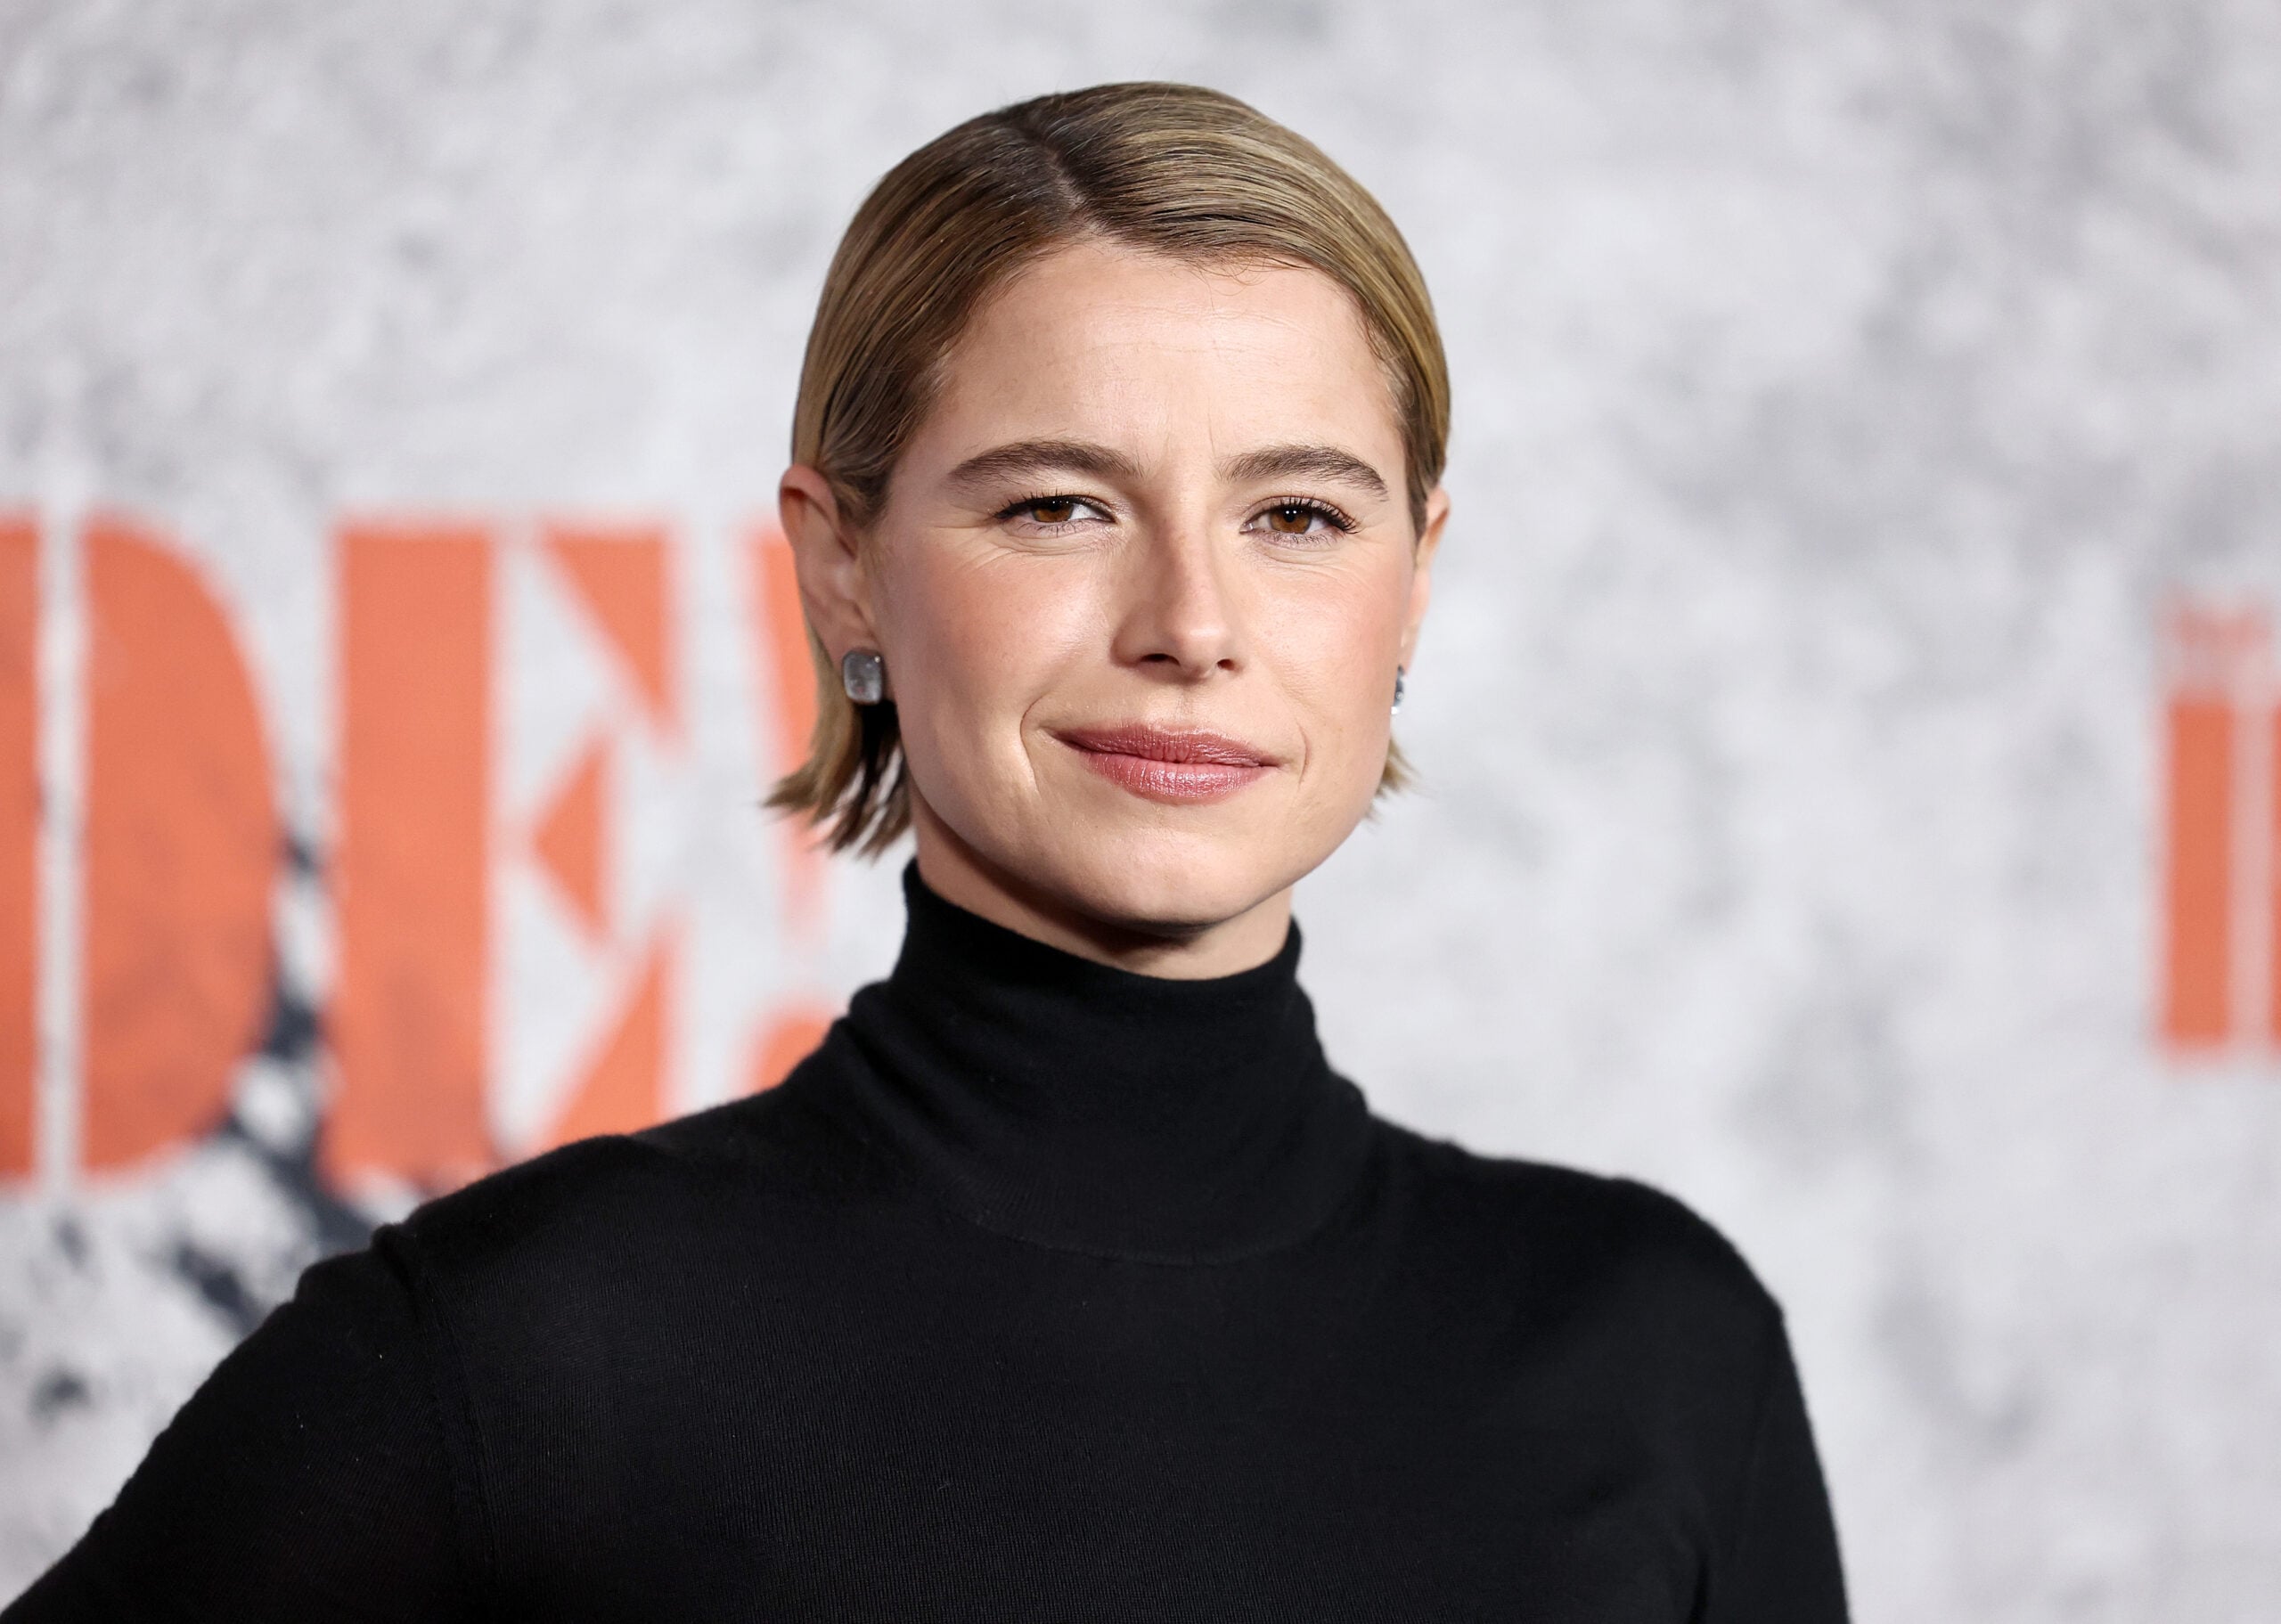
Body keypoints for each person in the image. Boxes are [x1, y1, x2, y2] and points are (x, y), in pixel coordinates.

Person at [8, 83, 1848, 1621]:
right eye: (1056, 505)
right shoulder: (514, 1356)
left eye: (1294, 513)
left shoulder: (1653, 1350)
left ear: (1412, 582)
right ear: (840, 563)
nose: (1190, 621)